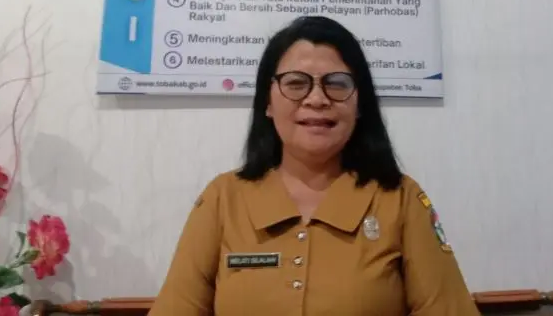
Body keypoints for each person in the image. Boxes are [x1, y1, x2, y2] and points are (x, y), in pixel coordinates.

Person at [148, 16, 480, 316]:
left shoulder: (400, 199)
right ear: (267, 102)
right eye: (295, 83)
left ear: (359, 104)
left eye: (337, 83)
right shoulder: (223, 199)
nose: (317, 99)